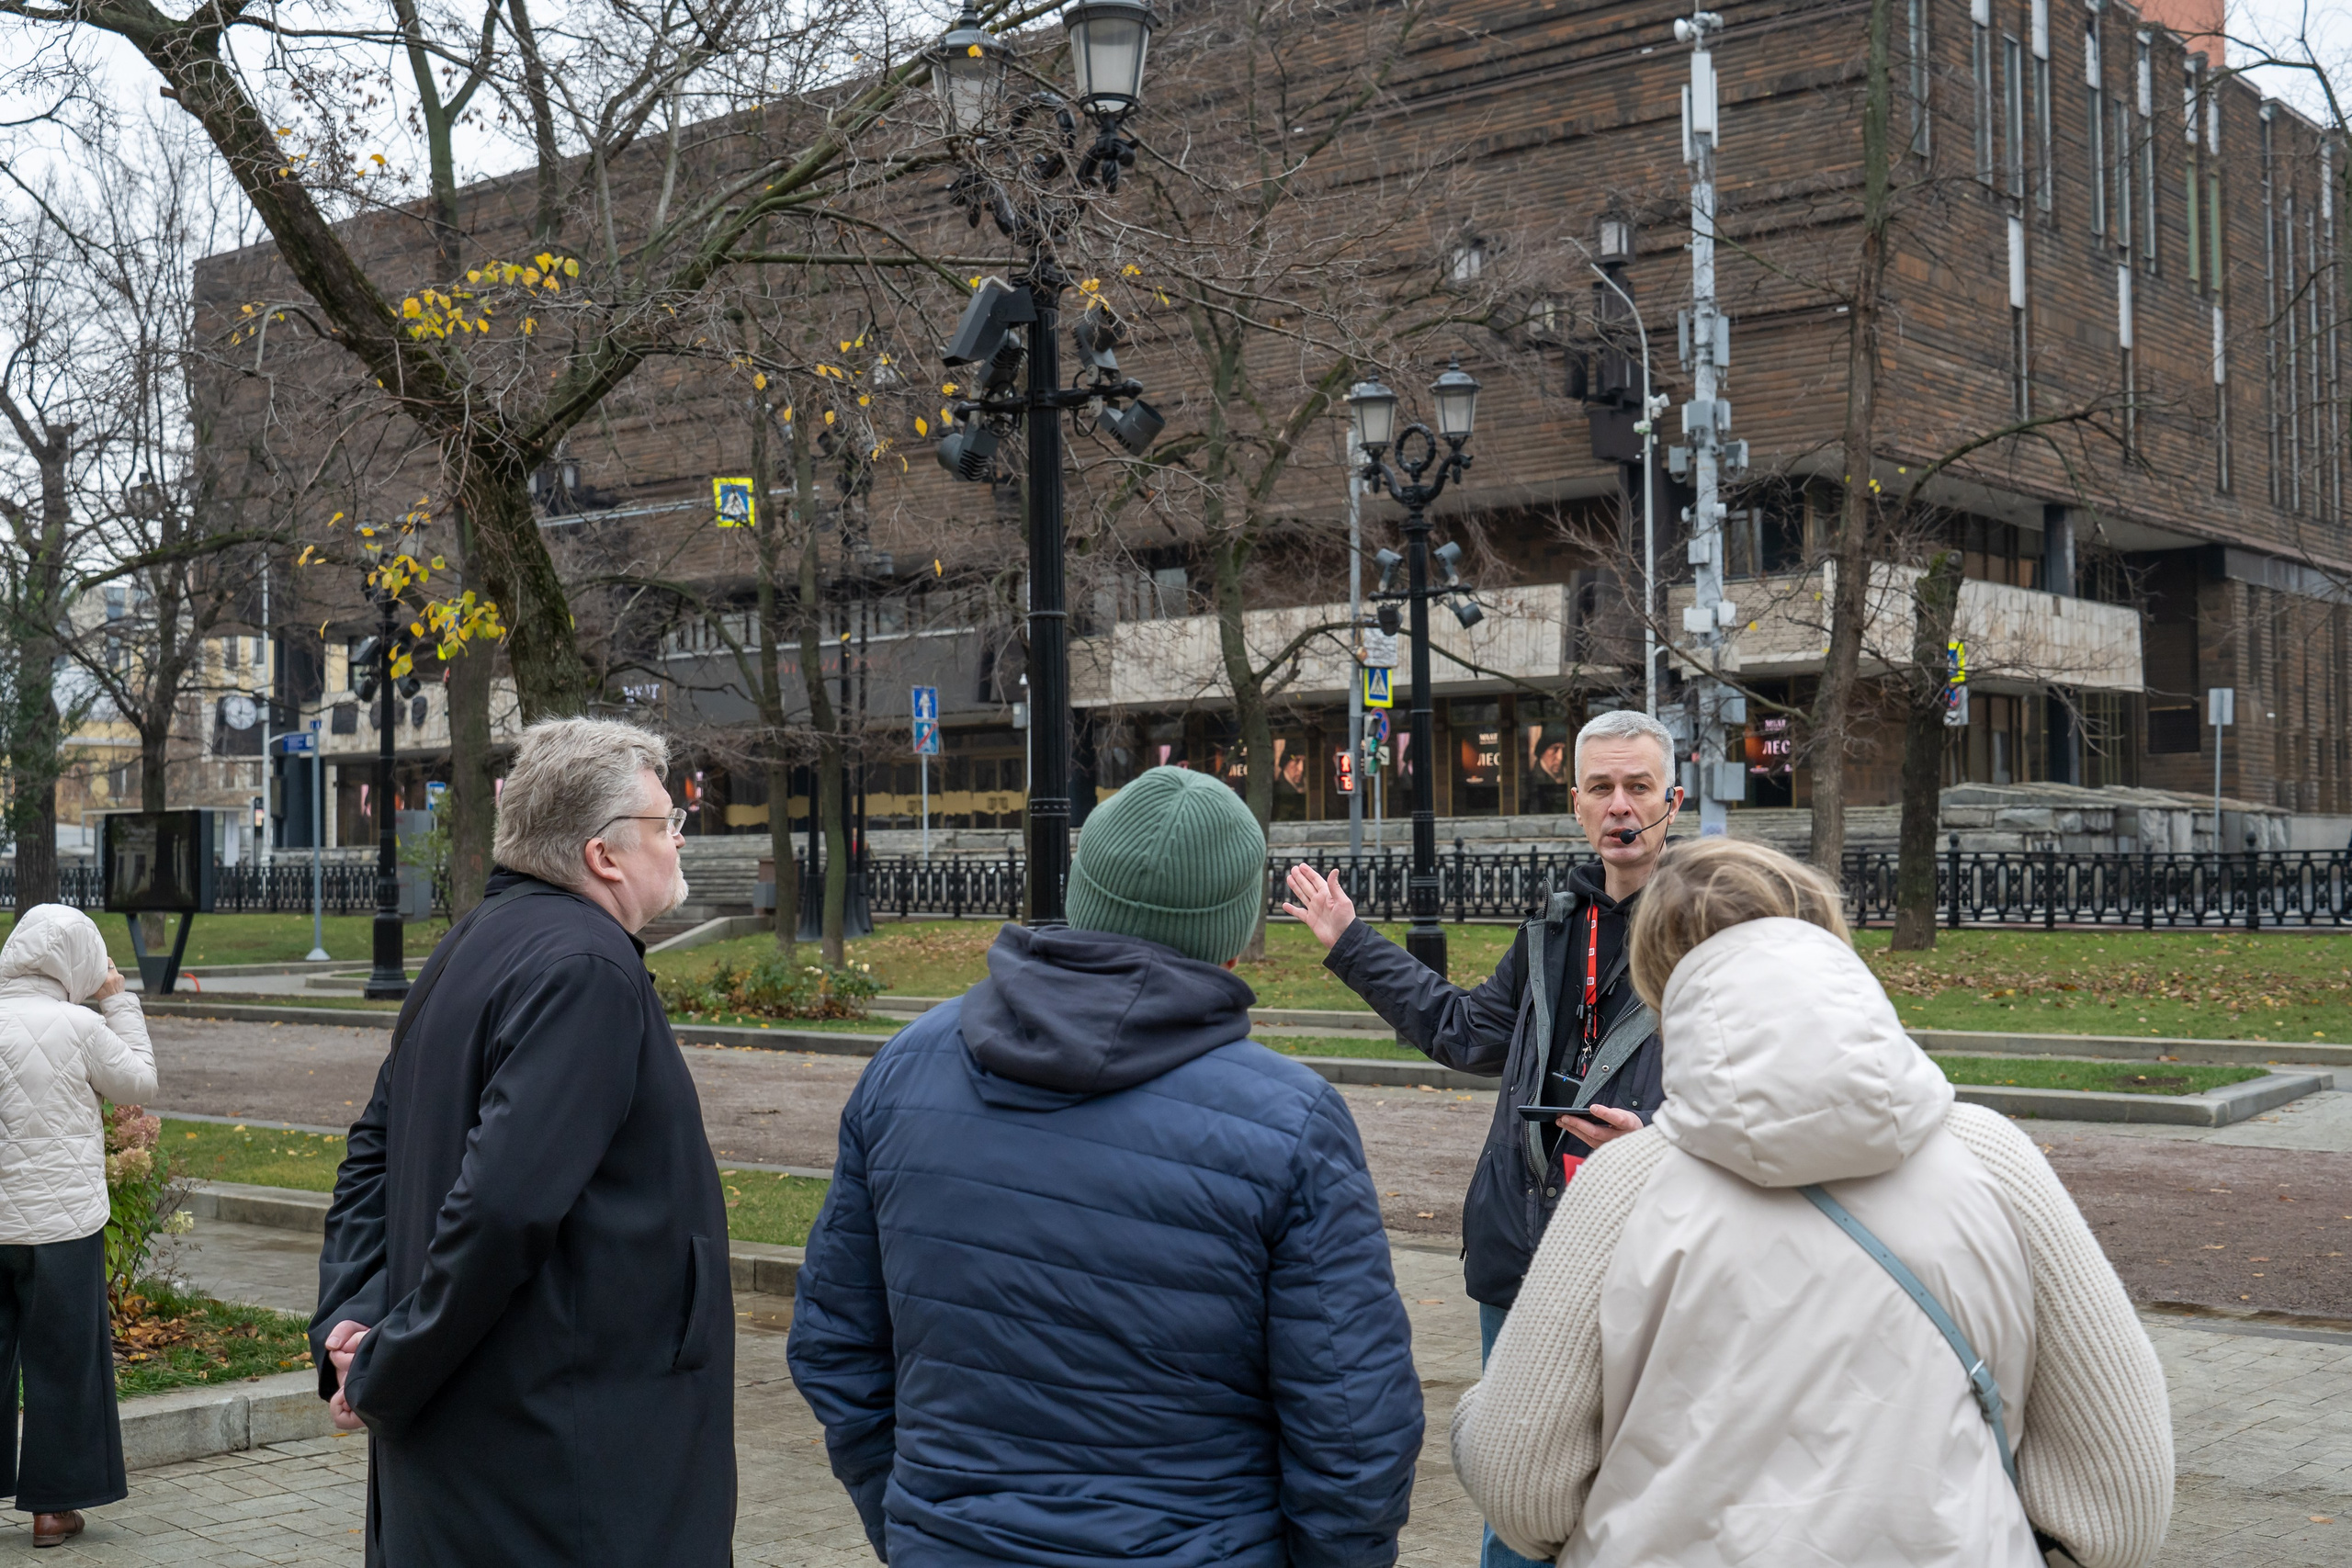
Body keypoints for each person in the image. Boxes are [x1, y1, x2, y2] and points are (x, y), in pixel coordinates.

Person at [1453, 839, 2176, 1566]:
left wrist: (1475, 1422)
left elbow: (1521, 1490)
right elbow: (2120, 1506)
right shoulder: (1993, 1159)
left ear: (1655, 984)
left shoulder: (1624, 1190)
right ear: (1833, 944)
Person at [789, 764, 1423, 1568]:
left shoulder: (906, 1066)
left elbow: (833, 1344)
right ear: (1232, 933)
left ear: (1082, 893)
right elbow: (1355, 1430)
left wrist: (915, 1518)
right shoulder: (1291, 1119)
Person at [311, 716, 733, 1566]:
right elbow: (502, 1206)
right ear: (603, 855)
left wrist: (352, 1320)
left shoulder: (473, 942)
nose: (680, 839)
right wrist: (383, 1363)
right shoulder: (587, 969)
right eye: (666, 822)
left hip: (485, 1459)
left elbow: (370, 1156)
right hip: (564, 1467)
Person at [1283, 708, 1679, 1568]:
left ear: (1671, 802)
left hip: (1643, 1259)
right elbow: (1466, 1032)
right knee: (1515, 1490)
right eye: (1602, 788)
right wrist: (1350, 944)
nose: (1620, 806)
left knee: (1637, 1497)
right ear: (1575, 804)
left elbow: (1748, 1093)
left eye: (1637, 787)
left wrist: (1653, 1141)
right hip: (1520, 1255)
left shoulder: (1709, 934)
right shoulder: (1552, 924)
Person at [0, 904, 154, 1550]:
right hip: (64, 1223)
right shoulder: (80, 1024)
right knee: (65, 1360)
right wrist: (120, 1000)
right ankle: (51, 1510)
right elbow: (139, 1081)